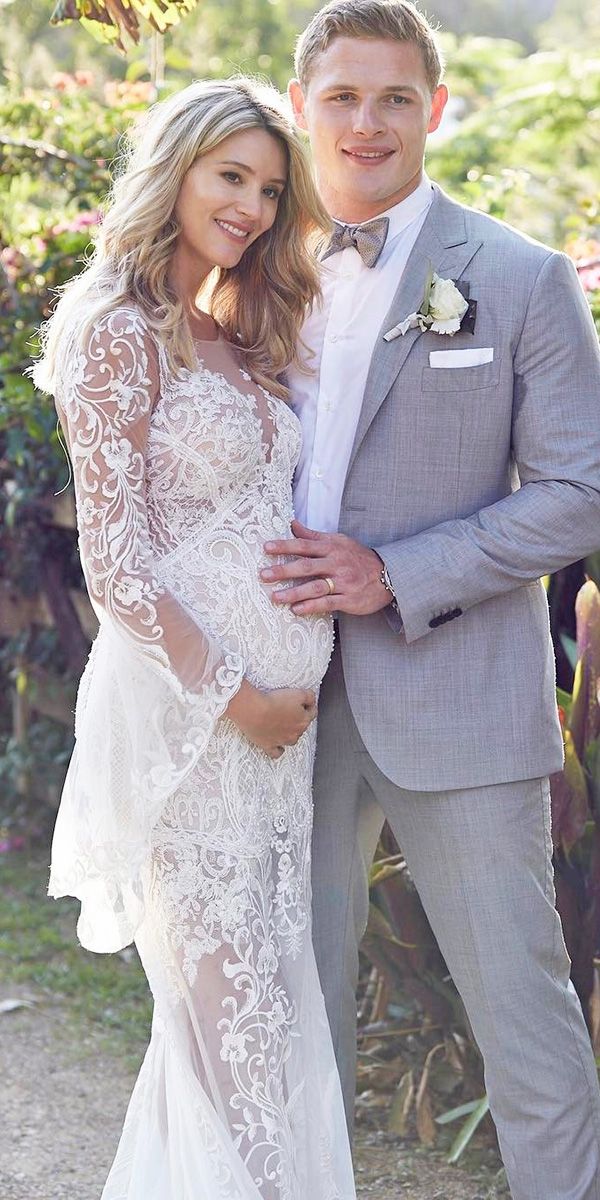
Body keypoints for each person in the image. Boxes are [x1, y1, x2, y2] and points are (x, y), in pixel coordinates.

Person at [260, 3, 600, 1197]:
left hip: (454, 693)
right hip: (277, 703)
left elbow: (581, 492)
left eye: (395, 97)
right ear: (304, 107)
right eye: (343, 97)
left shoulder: (516, 277)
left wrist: (396, 573)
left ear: (435, 109)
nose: (368, 122)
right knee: (287, 1016)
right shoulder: (247, 272)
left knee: (525, 1017)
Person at [33, 78, 356, 1200]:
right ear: (176, 168)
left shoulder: (232, 329)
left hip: (271, 745)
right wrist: (243, 698)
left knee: (257, 1000)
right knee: (228, 1015)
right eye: (232, 177)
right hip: (193, 721)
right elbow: (116, 562)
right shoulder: (113, 331)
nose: (254, 207)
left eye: (272, 188)